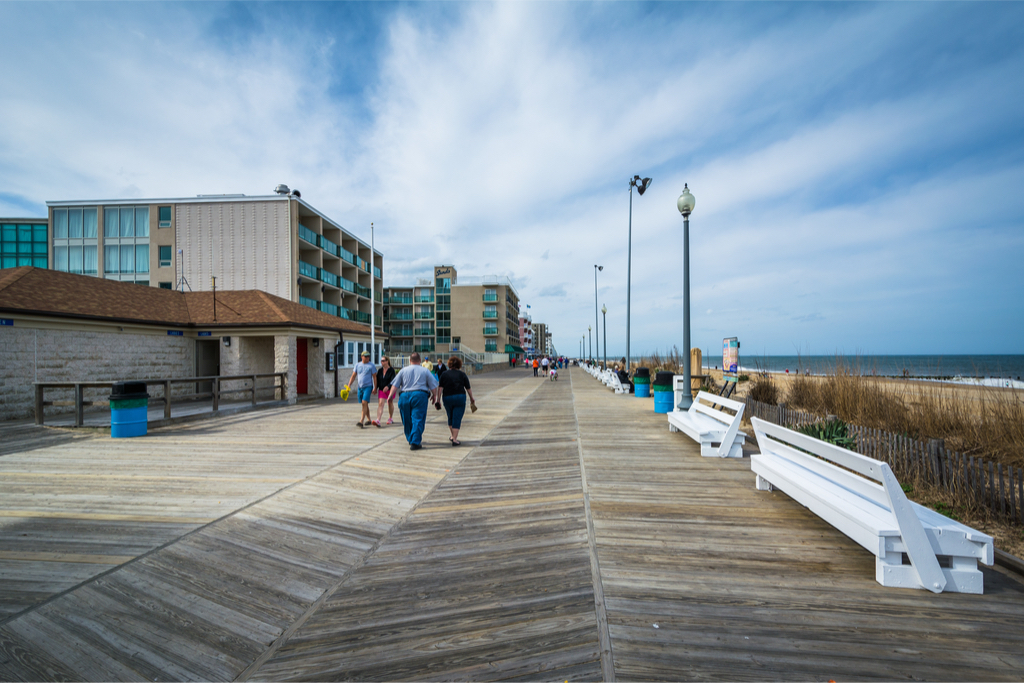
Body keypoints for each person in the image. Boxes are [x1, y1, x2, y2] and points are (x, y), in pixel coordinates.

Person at [387, 352, 439, 450]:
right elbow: (433, 385)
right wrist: (434, 395)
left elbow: (395, 385)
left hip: (404, 395)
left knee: (406, 419)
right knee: (417, 418)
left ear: (410, 361)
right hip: (420, 395)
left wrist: (390, 396)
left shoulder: (403, 370)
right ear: (420, 360)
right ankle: (415, 441)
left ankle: (411, 438)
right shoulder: (425, 371)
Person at [438, 356, 476, 446]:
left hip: (447, 397)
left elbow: (440, 388)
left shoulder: (444, 374)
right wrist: (471, 398)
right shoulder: (462, 374)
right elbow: (468, 388)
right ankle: (455, 439)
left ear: (449, 364)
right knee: (457, 417)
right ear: (459, 364)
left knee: (450, 416)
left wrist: (438, 400)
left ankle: (452, 436)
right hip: (459, 397)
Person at [346, 350, 377, 428]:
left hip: (368, 386)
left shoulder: (371, 365)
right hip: (360, 387)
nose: (367, 358)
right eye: (366, 356)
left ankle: (361, 421)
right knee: (364, 404)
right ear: (361, 357)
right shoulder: (357, 365)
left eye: (368, 356)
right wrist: (349, 385)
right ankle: (369, 419)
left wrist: (375, 387)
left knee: (364, 402)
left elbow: (374, 377)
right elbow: (353, 376)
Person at [372, 356, 397, 427]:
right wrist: (375, 388)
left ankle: (390, 418)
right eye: (381, 361)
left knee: (390, 402)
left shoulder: (391, 370)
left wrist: (388, 386)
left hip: (390, 390)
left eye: (383, 361)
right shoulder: (380, 370)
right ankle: (378, 420)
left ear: (387, 361)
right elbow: (377, 380)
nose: (381, 362)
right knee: (380, 403)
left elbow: (393, 380)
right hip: (381, 390)